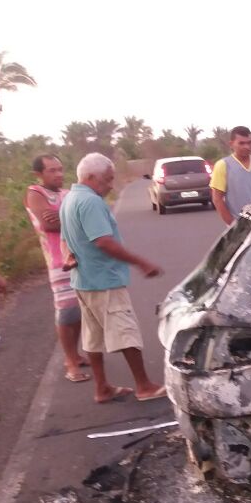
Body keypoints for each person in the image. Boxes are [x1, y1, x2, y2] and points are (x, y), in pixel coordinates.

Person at [59, 153, 167, 403]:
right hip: (103, 280)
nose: (110, 185)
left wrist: (68, 257)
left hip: (83, 281)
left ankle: (102, 388)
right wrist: (142, 262)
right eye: (107, 180)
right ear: (90, 177)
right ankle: (144, 386)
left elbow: (65, 239)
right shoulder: (90, 202)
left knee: (93, 336)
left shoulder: (69, 199)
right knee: (125, 331)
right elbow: (103, 242)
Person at [24, 154, 89, 382]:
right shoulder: (36, 193)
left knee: (80, 308)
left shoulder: (66, 194)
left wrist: (67, 218)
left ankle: (76, 354)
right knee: (66, 310)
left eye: (60, 169)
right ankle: (70, 361)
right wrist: (72, 218)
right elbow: (48, 224)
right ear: (39, 174)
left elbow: (85, 218)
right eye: (51, 170)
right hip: (57, 260)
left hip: (79, 256)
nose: (58, 174)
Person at [210, 126, 251, 225]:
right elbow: (217, 199)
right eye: (241, 143)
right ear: (231, 144)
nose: (247, 146)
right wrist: (233, 225)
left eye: (249, 142)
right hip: (239, 226)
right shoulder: (223, 165)